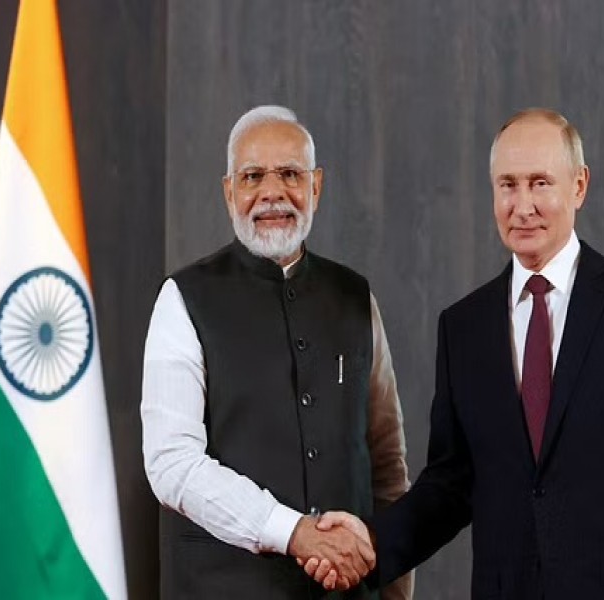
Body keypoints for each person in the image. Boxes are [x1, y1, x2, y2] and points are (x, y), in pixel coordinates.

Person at [305, 108, 604, 598]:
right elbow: (451, 484)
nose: (523, 206)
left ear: (579, 186)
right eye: (508, 185)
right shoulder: (464, 327)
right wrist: (371, 542)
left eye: (541, 183)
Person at [141, 105, 413, 599]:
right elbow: (172, 463)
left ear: (316, 187)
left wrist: (393, 587)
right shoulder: (182, 299)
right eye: (252, 176)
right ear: (229, 192)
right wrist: (294, 531)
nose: (272, 193)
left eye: (290, 174)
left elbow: (386, 462)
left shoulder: (355, 298)